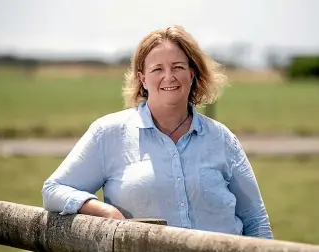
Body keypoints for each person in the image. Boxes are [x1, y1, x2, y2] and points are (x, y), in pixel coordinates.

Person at [42, 25, 273, 238]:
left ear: (192, 73)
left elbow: (255, 220)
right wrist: (106, 213)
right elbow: (53, 190)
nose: (169, 76)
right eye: (157, 69)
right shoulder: (108, 134)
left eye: (178, 67)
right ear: (142, 78)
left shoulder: (222, 139)